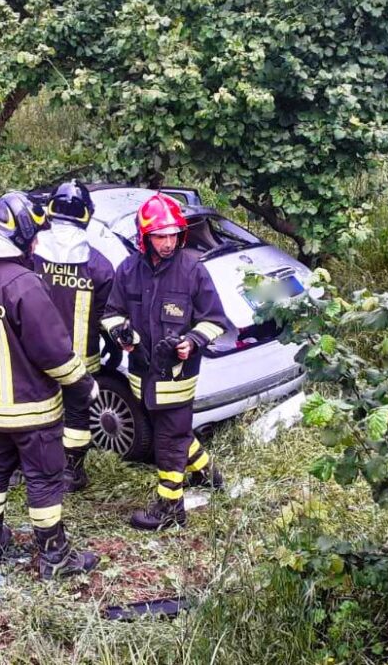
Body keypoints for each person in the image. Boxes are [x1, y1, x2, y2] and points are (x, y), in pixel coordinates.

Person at [0, 191, 100, 579]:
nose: (36, 243)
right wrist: (83, 383)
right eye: (33, 235)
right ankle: (56, 557)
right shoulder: (23, 284)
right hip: (31, 409)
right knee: (44, 479)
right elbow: (53, 351)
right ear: (20, 235)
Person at [102, 192, 230, 531]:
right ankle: (207, 474)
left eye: (174, 235)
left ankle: (170, 508)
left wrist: (192, 341)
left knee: (168, 440)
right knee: (172, 430)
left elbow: (215, 320)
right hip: (141, 374)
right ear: (145, 237)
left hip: (177, 376)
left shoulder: (192, 270)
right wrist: (121, 333)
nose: (169, 243)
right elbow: (111, 313)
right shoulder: (128, 270)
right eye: (160, 236)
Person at [33, 180, 115, 492]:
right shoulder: (100, 266)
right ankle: (72, 472)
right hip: (80, 359)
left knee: (36, 410)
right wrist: (114, 345)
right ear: (87, 215)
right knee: (77, 416)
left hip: (36, 356)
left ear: (50, 210)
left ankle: (29, 465)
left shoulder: (30, 256)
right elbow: (108, 315)